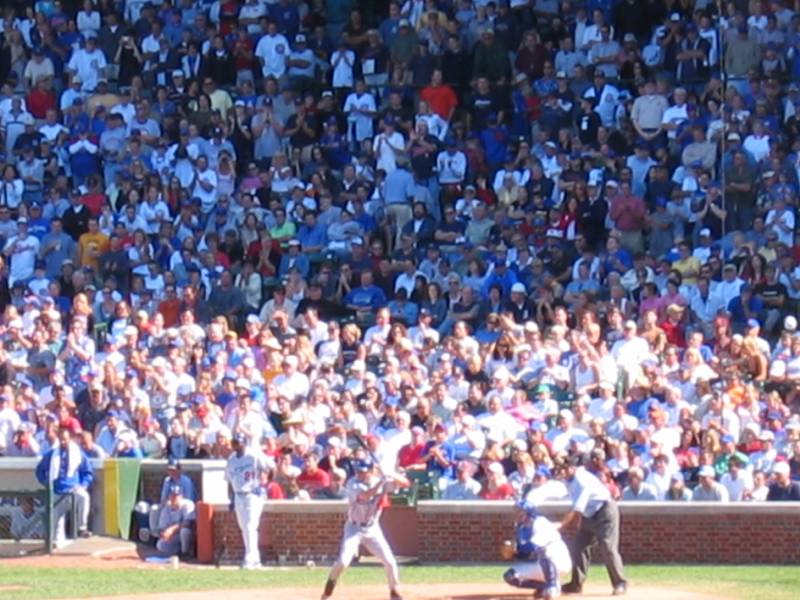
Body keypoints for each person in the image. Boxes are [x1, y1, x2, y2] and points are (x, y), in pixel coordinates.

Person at [321, 458, 409, 600]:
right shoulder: (353, 483)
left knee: (390, 561)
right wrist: (382, 481)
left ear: (371, 471)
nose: (360, 474)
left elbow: (405, 483)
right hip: (353, 528)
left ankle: (394, 591)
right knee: (343, 562)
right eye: (358, 471)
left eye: (363, 471)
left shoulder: (378, 480)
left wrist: (390, 473)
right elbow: (365, 496)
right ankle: (328, 591)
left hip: (372, 529)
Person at [554, 456, 627, 596]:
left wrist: (561, 525)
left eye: (563, 468)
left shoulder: (581, 480)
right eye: (559, 469)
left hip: (605, 512)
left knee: (607, 547)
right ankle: (576, 585)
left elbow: (576, 510)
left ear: (572, 468)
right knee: (578, 546)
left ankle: (620, 583)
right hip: (589, 514)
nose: (561, 472)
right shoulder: (568, 481)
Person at [35, 425, 94, 544]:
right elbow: (39, 470)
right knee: (56, 528)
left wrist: (83, 485)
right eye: (61, 439)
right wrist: (46, 483)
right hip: (57, 492)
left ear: (70, 439)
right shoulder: (52, 454)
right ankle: (56, 544)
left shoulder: (78, 453)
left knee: (84, 497)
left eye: (65, 439)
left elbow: (88, 472)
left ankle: (82, 528)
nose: (63, 442)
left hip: (73, 490)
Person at [503, 499, 572, 599]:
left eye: (519, 511)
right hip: (541, 564)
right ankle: (544, 586)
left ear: (528, 512)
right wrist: (513, 554)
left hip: (559, 562)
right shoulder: (522, 528)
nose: (516, 513)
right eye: (516, 511)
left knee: (543, 552)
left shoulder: (540, 523)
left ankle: (553, 586)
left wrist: (516, 548)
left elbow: (534, 546)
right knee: (510, 576)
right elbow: (526, 555)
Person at [225, 432, 274, 569]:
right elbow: (229, 480)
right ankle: (255, 559)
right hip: (238, 494)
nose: (236, 445)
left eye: (238, 443)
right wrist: (231, 498)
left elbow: (271, 467)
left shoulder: (253, 455)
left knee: (250, 526)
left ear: (244, 443)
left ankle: (250, 558)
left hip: (253, 493)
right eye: (234, 443)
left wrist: (266, 484)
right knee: (244, 527)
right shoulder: (231, 459)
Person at [155, 484, 196, 558]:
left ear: (181, 496)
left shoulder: (188, 504)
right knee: (160, 545)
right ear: (169, 497)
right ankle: (177, 553)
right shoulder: (167, 508)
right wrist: (164, 534)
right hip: (175, 536)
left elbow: (189, 523)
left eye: (177, 496)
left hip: (189, 536)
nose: (174, 498)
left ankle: (185, 553)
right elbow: (162, 527)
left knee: (185, 531)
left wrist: (172, 529)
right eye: (172, 495)